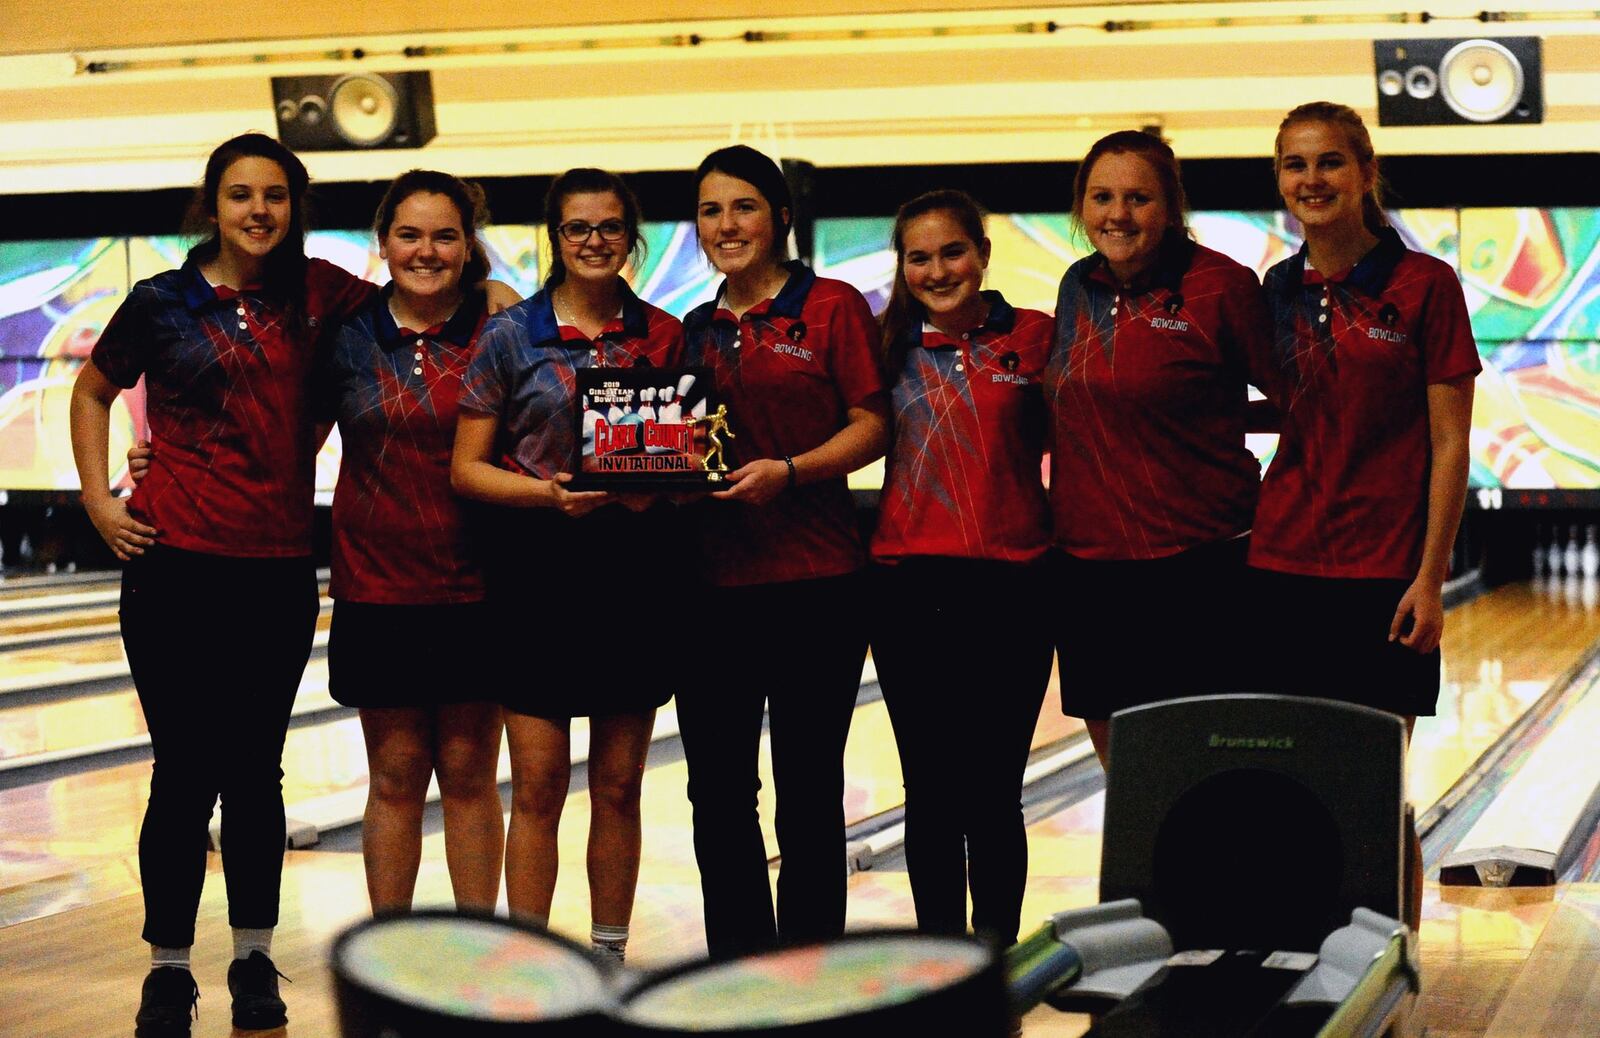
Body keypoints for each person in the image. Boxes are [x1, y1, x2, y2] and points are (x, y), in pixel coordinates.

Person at [70, 133, 375, 1038]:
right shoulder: (160, 302)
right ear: (213, 204)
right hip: (172, 567)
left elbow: (441, 291)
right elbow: (92, 391)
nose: (258, 212)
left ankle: (251, 955)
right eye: (241, 195)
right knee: (182, 773)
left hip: (274, 570)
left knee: (254, 774)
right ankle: (167, 970)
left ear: (295, 206)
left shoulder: (323, 295)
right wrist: (97, 500)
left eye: (275, 196)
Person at [1251, 101, 1479, 927]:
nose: (1311, 180)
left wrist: (1430, 577)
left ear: (1364, 173)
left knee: (1376, 788)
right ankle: (1308, 956)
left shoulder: (1424, 286)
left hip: (1382, 575)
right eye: (1295, 165)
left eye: (1329, 163)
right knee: (1292, 786)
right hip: (1279, 569)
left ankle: (1393, 965)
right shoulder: (1274, 290)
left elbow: (1451, 441)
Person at [450, 168, 681, 963]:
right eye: (578, 228)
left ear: (631, 236)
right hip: (536, 575)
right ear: (556, 236)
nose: (593, 242)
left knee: (619, 785)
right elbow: (467, 470)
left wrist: (659, 492)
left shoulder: (663, 334)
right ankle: (533, 964)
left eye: (609, 228)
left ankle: (609, 957)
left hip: (632, 574)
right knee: (540, 785)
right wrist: (547, 497)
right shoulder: (509, 335)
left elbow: (680, 460)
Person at [677, 145, 889, 958]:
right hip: (711, 586)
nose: (725, 225)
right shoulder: (693, 330)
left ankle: (807, 967)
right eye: (710, 210)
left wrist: (791, 472)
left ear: (781, 218)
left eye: (743, 207)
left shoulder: (831, 307)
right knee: (718, 792)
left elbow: (872, 424)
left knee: (806, 791)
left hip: (818, 581)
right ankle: (737, 964)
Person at [1043, 130, 1273, 769]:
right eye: (1102, 197)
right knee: (1130, 781)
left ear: (1170, 206)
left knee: (1210, 770)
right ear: (1082, 208)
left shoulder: (1222, 286)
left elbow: (1296, 402)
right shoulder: (1076, 284)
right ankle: (1147, 876)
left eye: (1138, 198)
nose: (1118, 215)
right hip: (1090, 568)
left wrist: (1218, 415)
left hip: (1202, 564)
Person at [316, 170, 505, 916]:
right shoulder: (347, 337)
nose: (426, 251)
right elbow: (283, 439)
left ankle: (476, 956)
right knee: (393, 777)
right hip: (376, 588)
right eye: (410, 234)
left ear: (467, 246)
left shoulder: (502, 329)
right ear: (384, 242)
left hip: (477, 586)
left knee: (468, 777)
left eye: (444, 235)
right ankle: (389, 962)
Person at [869, 189, 1054, 947]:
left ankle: (997, 955)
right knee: (933, 793)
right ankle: (944, 958)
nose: (938, 270)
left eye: (952, 252)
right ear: (903, 265)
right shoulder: (884, 348)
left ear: (982, 252)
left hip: (1013, 584)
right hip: (909, 585)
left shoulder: (1038, 336)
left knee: (993, 793)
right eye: (920, 257)